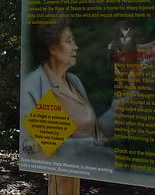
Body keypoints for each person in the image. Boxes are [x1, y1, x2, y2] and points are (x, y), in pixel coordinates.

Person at [20, 18, 116, 167]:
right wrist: (92, 144)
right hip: (74, 167)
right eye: (69, 41)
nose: (76, 47)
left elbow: (94, 133)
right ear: (52, 48)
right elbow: (45, 150)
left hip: (94, 168)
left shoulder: (74, 81)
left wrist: (116, 109)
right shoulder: (35, 84)